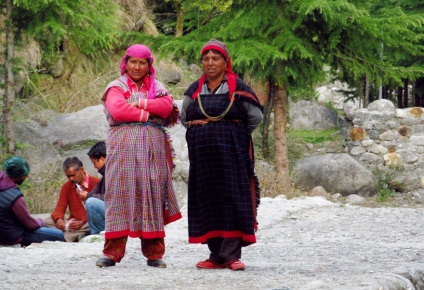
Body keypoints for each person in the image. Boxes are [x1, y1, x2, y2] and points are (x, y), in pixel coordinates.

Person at [96, 44, 182, 269]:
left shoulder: (157, 86)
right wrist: (147, 115)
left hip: (152, 153)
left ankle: (154, 253)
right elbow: (118, 110)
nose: (137, 66)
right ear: (126, 63)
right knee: (119, 196)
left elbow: (166, 107)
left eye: (142, 62)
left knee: (151, 194)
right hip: (123, 152)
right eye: (133, 62)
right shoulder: (116, 86)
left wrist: (141, 102)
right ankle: (112, 253)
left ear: (148, 65)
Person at [181, 39, 263, 271]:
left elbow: (255, 118)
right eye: (206, 59)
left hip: (231, 154)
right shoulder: (194, 90)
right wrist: (198, 128)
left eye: (215, 58)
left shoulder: (239, 88)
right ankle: (216, 255)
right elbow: (184, 117)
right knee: (208, 199)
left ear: (225, 61)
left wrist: (231, 132)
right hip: (203, 158)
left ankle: (231, 255)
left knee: (232, 197)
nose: (210, 63)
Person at [0, 156, 64, 247]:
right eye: (25, 174)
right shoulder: (15, 197)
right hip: (12, 237)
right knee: (59, 234)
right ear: (18, 175)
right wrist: (41, 222)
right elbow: (31, 225)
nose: (27, 176)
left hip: (3, 232)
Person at [45, 157, 100, 242]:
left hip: (87, 222)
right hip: (73, 223)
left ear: (81, 170)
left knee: (92, 223)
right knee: (47, 221)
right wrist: (59, 220)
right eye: (68, 176)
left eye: (73, 175)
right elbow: (60, 207)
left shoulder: (96, 182)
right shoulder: (67, 186)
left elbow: (99, 209)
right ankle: (77, 235)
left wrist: (82, 222)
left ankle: (68, 235)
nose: (71, 179)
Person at [77, 141, 106, 235]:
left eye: (94, 162)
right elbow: (96, 191)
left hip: (121, 212)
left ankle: (98, 234)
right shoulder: (105, 174)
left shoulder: (113, 173)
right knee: (90, 201)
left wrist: (88, 196)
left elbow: (111, 198)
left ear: (102, 159)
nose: (94, 166)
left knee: (91, 203)